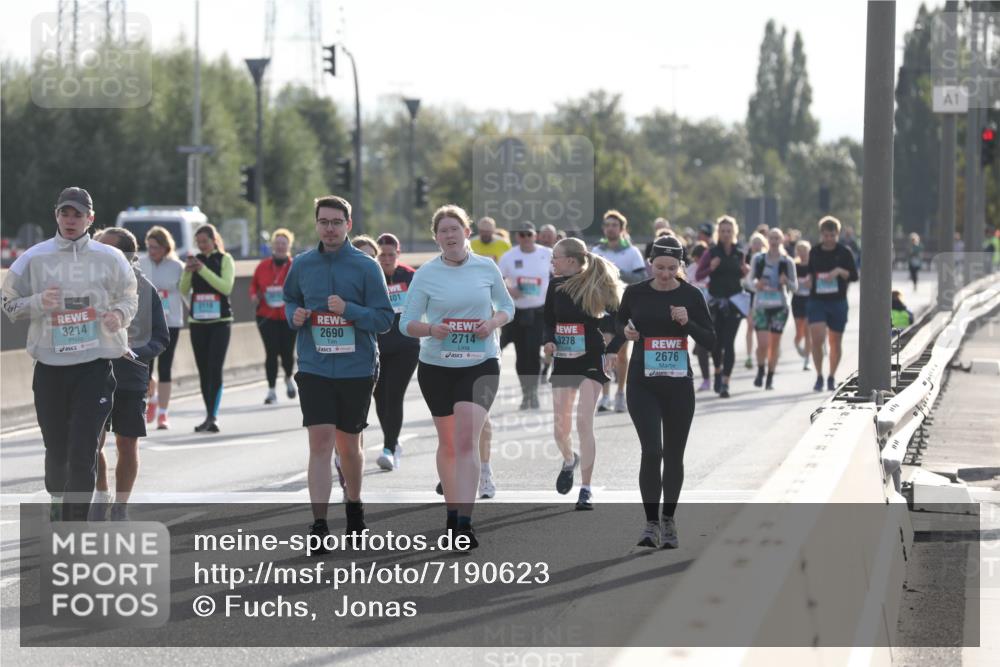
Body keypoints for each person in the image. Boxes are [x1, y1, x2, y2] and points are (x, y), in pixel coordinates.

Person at [2, 187, 138, 522]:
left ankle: (74, 528)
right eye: (65, 213)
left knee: (83, 451)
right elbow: (7, 303)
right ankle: (57, 496)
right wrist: (36, 303)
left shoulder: (111, 258)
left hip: (94, 366)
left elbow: (130, 297)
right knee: (57, 454)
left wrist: (118, 316)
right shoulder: (33, 258)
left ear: (90, 218)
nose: (71, 220)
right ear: (56, 215)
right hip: (50, 367)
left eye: (78, 214)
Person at [400, 204, 515, 549]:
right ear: (436, 238)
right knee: (449, 444)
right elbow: (406, 323)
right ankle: (451, 513)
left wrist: (491, 324)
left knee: (466, 441)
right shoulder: (426, 274)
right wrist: (431, 329)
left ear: (467, 233)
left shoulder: (486, 267)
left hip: (480, 364)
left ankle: (465, 522)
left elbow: (507, 308)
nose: (449, 235)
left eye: (455, 229)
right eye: (443, 231)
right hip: (437, 367)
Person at [284, 196, 394, 550]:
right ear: (316, 224)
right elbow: (288, 300)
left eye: (336, 222)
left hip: (356, 368)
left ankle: (354, 507)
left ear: (348, 224)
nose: (329, 228)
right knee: (319, 443)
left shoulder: (365, 267)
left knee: (348, 446)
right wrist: (294, 315)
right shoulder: (302, 264)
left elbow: (384, 318)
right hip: (314, 366)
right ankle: (318, 524)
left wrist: (350, 310)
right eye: (323, 222)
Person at [620, 236, 715, 548]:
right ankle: (649, 524)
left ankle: (669, 519)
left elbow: (713, 342)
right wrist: (626, 333)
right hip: (641, 383)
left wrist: (687, 323)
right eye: (659, 267)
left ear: (681, 266)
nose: (664, 273)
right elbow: (618, 327)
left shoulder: (692, 295)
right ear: (650, 263)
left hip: (677, 385)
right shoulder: (634, 293)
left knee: (674, 455)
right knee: (652, 451)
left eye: (672, 268)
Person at [90, 227, 169, 521]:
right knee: (92, 442)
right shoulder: (84, 283)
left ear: (127, 256)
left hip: (130, 376)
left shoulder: (144, 288)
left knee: (126, 443)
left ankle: (120, 506)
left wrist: (136, 352)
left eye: (106, 249)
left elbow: (161, 338)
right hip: (92, 375)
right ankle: (101, 493)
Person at [543, 238, 623, 509]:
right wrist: (548, 340)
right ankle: (569, 460)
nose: (552, 261)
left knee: (583, 422)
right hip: (564, 359)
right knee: (559, 429)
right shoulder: (554, 285)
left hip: (591, 358)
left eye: (555, 256)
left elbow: (620, 320)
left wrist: (613, 349)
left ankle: (586, 489)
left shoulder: (597, 283)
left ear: (571, 260)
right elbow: (548, 320)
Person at [179, 223, 235, 432]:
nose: (202, 246)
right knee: (203, 371)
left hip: (220, 322)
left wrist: (202, 270)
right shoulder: (196, 261)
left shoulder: (224, 259)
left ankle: (214, 415)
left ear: (214, 240)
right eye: (199, 243)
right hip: (198, 322)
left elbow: (225, 287)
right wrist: (188, 271)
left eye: (205, 242)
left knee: (214, 368)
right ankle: (208, 414)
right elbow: (183, 289)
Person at [372, 233, 420, 472]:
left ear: (398, 254)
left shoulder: (410, 276)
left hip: (405, 347)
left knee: (394, 394)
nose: (387, 259)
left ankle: (388, 448)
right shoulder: (371, 276)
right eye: (382, 255)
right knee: (379, 397)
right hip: (377, 346)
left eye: (391, 255)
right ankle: (391, 440)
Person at [591, 210, 646, 412]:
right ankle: (605, 396)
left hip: (626, 307)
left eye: (615, 225)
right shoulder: (597, 250)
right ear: (604, 229)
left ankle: (621, 393)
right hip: (603, 307)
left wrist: (615, 273)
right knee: (605, 351)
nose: (611, 228)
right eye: (608, 225)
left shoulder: (632, 252)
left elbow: (641, 279)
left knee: (622, 354)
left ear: (622, 229)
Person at [498, 221, 552, 409]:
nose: (526, 238)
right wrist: (510, 289)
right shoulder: (509, 256)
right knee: (522, 356)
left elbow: (559, 275)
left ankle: (534, 393)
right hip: (518, 312)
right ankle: (525, 393)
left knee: (532, 351)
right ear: (517, 237)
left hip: (539, 311)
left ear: (535, 235)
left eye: (529, 234)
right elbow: (497, 280)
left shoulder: (546, 254)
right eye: (522, 235)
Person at [695, 215, 748, 398]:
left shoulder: (739, 252)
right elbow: (699, 275)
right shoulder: (711, 252)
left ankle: (725, 382)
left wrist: (744, 272)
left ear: (734, 232)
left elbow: (740, 274)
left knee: (729, 343)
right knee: (716, 343)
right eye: (723, 231)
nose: (726, 234)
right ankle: (717, 370)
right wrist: (711, 267)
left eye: (729, 231)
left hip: (734, 303)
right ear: (719, 232)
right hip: (716, 303)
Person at [807, 216, 859, 392]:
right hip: (817, 300)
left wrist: (838, 271)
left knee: (835, 341)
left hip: (837, 301)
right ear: (821, 234)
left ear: (837, 234)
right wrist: (807, 280)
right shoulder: (814, 251)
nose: (829, 238)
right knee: (817, 338)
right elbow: (809, 273)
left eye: (832, 235)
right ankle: (819, 376)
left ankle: (831, 376)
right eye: (825, 235)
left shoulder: (844, 252)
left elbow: (854, 276)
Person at [139, 225, 184, 429]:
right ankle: (152, 399)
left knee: (165, 367)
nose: (152, 251)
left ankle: (163, 413)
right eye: (149, 247)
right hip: (146, 322)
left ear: (166, 247)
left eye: (156, 247)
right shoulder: (140, 264)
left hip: (171, 322)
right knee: (147, 367)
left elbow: (186, 293)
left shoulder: (177, 267)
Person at [250, 228, 298, 405]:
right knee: (271, 353)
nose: (280, 246)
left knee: (287, 352)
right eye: (277, 243)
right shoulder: (262, 266)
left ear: (289, 246)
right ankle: (271, 391)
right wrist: (254, 295)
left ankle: (288, 376)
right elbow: (253, 285)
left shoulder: (295, 265)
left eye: (283, 243)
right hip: (266, 315)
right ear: (273, 245)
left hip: (288, 316)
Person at [747, 228, 797, 390]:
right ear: (767, 240)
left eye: (777, 238)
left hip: (780, 307)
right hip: (761, 305)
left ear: (782, 240)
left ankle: (770, 376)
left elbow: (795, 287)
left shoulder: (787, 261)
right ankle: (761, 369)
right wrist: (757, 285)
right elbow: (749, 281)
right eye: (772, 238)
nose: (774, 241)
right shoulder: (758, 259)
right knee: (763, 344)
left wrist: (786, 282)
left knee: (774, 345)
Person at [687, 242, 713, 391]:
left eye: (702, 258)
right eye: (697, 258)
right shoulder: (690, 270)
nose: (699, 262)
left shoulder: (711, 271)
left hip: (712, 311)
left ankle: (711, 375)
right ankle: (706, 379)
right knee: (702, 347)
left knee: (706, 346)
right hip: (695, 312)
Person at [742, 232, 767, 370]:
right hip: (750, 295)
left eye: (759, 242)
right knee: (750, 325)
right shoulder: (746, 259)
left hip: (764, 296)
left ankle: (762, 352)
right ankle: (748, 356)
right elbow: (742, 277)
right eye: (754, 242)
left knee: (762, 327)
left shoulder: (767, 258)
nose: (757, 245)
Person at [791, 240, 813, 371]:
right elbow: (790, 281)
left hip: (810, 299)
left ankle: (807, 359)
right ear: (797, 252)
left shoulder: (812, 265)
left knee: (807, 329)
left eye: (805, 251)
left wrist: (811, 283)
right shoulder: (794, 265)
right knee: (799, 331)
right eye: (800, 251)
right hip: (797, 300)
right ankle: (797, 343)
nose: (803, 253)